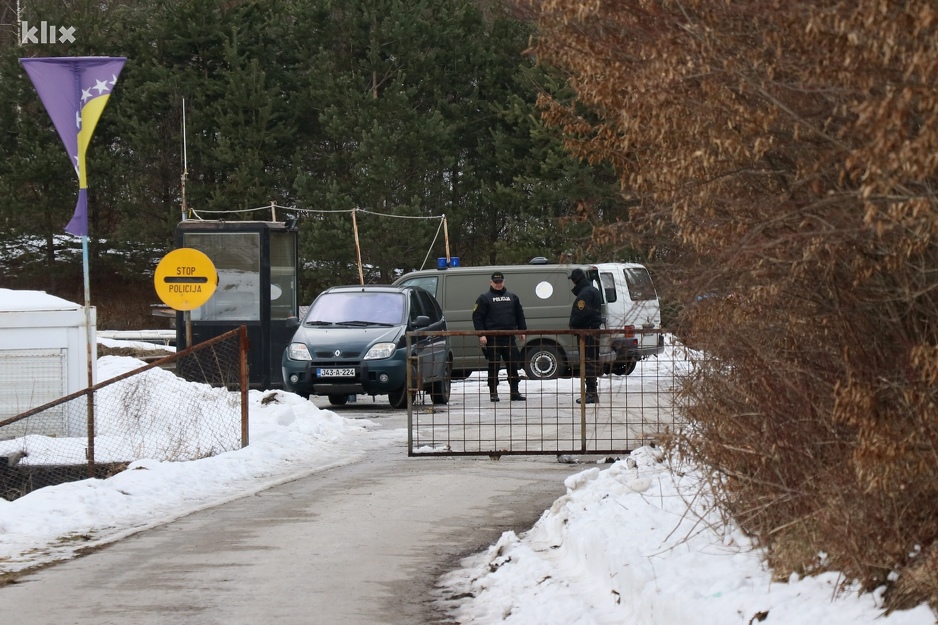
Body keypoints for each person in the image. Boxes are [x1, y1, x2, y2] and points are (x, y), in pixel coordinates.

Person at [472, 271, 527, 402]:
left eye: (500, 282)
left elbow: (520, 314)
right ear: (491, 282)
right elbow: (477, 317)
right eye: (496, 282)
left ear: (504, 282)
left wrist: (522, 331)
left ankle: (514, 392)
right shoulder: (484, 298)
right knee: (494, 366)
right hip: (492, 337)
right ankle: (493, 392)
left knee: (513, 365)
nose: (498, 284)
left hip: (509, 337)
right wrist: (481, 334)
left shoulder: (512, 297)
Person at [568, 267, 603, 404]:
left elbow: (582, 313)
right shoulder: (592, 290)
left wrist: (573, 325)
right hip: (592, 331)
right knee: (591, 361)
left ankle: (591, 393)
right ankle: (591, 392)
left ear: (576, 280)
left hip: (587, 332)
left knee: (588, 361)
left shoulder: (585, 294)